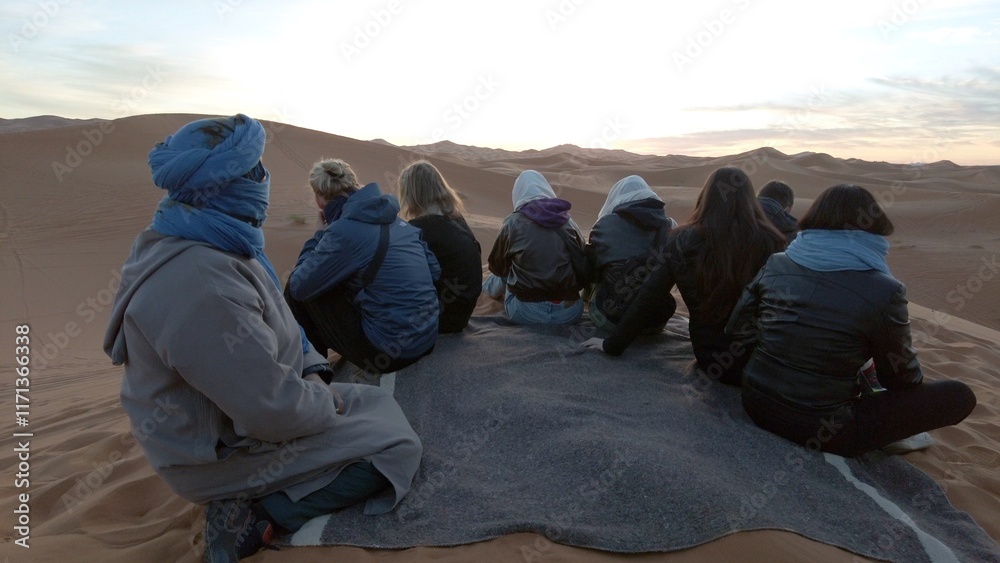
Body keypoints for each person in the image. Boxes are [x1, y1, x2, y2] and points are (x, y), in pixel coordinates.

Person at [103, 115, 422, 561]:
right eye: (252, 171)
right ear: (222, 187)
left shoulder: (212, 237)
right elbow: (269, 410)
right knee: (396, 447)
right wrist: (321, 400)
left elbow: (284, 323)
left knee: (378, 405)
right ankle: (257, 514)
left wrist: (313, 374)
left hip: (259, 411)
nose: (263, 179)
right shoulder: (204, 283)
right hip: (223, 453)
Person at [727, 184, 976, 457]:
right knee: (960, 396)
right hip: (824, 430)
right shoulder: (886, 290)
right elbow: (901, 379)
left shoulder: (777, 263)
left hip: (756, 404)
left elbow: (737, 327)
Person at [581, 167, 786, 386]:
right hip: (766, 359)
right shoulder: (772, 241)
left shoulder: (682, 240)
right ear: (750, 199)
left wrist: (612, 345)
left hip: (712, 358)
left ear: (705, 198)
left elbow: (648, 297)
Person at [285, 158, 441, 374]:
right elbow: (434, 271)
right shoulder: (398, 221)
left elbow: (298, 287)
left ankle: (315, 373)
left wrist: (318, 235)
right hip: (427, 337)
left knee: (296, 291)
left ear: (320, 200)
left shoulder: (343, 231)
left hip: (388, 352)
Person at [483, 170, 587, 324]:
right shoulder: (568, 221)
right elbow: (583, 258)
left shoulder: (513, 222)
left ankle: (484, 293)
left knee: (509, 267)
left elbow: (497, 268)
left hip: (526, 313)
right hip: (570, 313)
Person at [397, 160, 482, 333]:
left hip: (442, 319)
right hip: (461, 313)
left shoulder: (420, 229)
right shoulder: (456, 220)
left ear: (412, 194)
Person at [587, 175, 678, 331]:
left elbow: (590, 274)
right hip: (655, 323)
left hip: (612, 320)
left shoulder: (604, 225)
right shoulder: (672, 227)